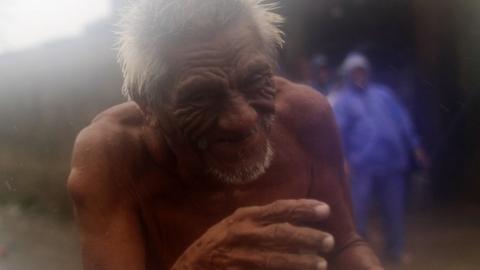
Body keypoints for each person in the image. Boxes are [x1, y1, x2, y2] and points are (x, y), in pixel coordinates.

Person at [67, 1, 383, 269]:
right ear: (147, 103)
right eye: (202, 97)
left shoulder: (306, 116)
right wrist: (197, 264)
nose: (243, 119)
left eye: (255, 79)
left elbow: (344, 245)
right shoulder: (112, 157)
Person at [330, 52, 428, 264]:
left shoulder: (384, 94)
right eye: (354, 71)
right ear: (348, 74)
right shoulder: (343, 102)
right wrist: (342, 161)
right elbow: (337, 134)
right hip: (362, 166)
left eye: (362, 70)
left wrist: (415, 145)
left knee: (394, 212)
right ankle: (357, 257)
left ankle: (396, 251)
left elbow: (403, 120)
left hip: (392, 163)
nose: (359, 75)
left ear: (368, 72)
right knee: (358, 214)